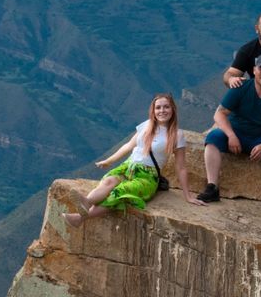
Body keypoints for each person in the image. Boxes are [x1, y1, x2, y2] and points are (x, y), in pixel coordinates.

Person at [65, 93, 204, 226]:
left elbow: (181, 167)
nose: (162, 110)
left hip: (147, 177)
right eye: (158, 107)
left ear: (173, 109)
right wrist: (109, 161)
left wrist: (188, 196)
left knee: (118, 193)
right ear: (153, 110)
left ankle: (80, 218)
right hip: (128, 167)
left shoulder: (176, 135)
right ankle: (87, 201)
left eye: (166, 107)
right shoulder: (147, 125)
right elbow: (129, 146)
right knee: (108, 181)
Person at [199, 55, 261, 207]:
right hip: (237, 134)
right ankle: (212, 187)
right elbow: (219, 113)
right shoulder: (240, 87)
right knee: (213, 138)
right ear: (254, 70)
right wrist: (231, 135)